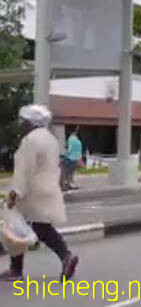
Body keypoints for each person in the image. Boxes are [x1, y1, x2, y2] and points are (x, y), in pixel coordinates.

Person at [1, 105, 79, 281]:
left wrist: (15, 193)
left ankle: (64, 257)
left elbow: (25, 170)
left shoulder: (30, 140)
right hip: (48, 190)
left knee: (25, 228)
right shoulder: (51, 139)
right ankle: (17, 268)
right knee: (26, 229)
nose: (21, 124)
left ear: (31, 122)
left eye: (23, 121)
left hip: (32, 193)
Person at [62, 127, 83, 191]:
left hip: (70, 159)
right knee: (71, 172)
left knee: (66, 172)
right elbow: (79, 152)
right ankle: (71, 183)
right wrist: (79, 159)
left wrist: (65, 155)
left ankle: (67, 184)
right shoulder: (79, 142)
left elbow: (70, 149)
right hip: (76, 160)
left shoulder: (70, 139)